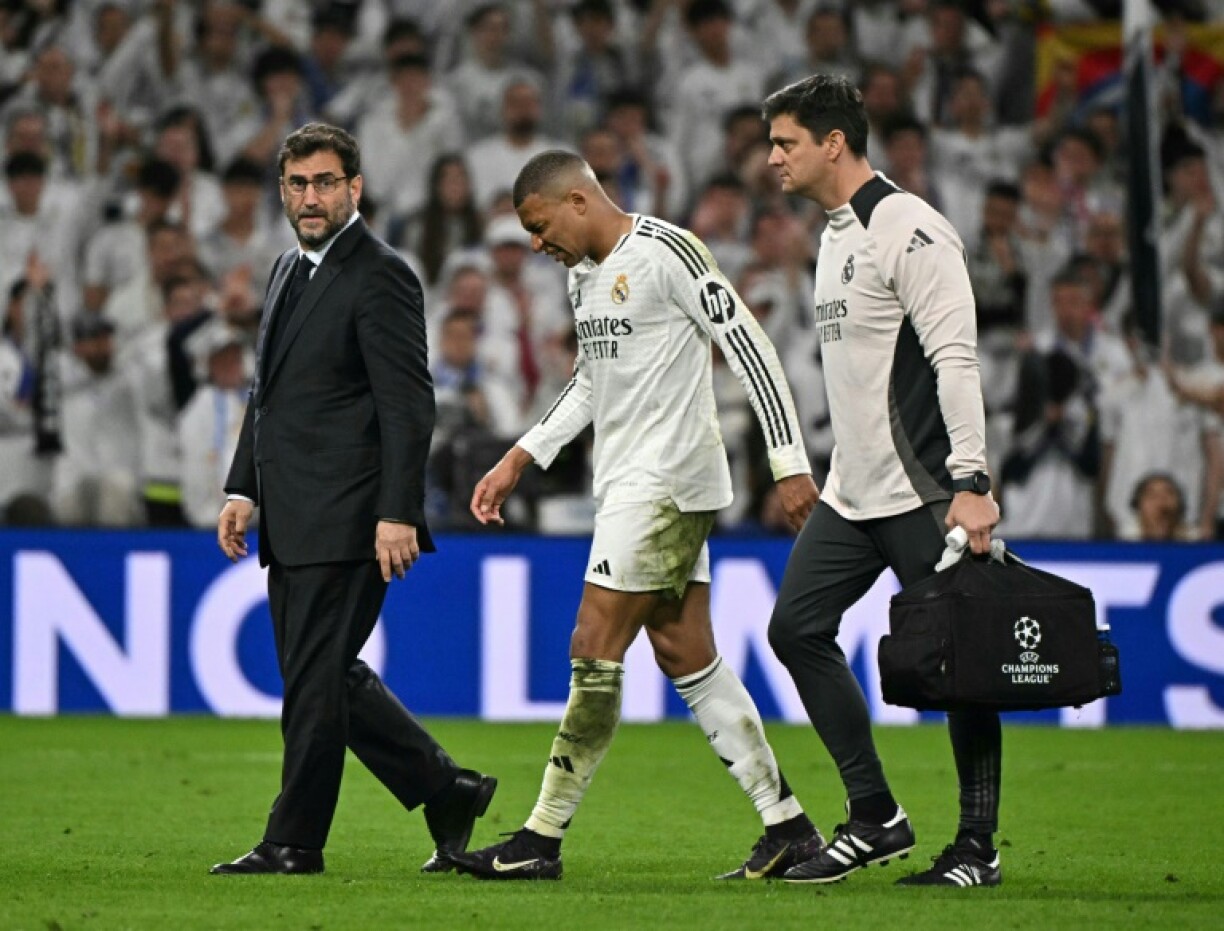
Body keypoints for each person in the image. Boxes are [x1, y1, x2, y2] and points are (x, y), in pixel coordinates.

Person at [448, 150, 824, 881]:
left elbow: (749, 345)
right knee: (687, 654)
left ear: (578, 200)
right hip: (627, 483)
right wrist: (521, 455)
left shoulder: (667, 252)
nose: (536, 244)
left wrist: (788, 462)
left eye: (539, 226)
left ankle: (541, 838)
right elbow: (590, 381)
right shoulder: (583, 276)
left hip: (667, 482)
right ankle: (788, 825)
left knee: (594, 645)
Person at [212, 123, 496, 876]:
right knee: (324, 675)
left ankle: (294, 841)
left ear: (355, 188)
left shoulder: (382, 274)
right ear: (283, 191)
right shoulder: (287, 268)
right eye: (298, 184)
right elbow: (268, 393)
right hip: (293, 514)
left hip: (350, 516)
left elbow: (409, 405)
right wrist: (243, 486)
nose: (311, 197)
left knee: (313, 682)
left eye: (325, 182)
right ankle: (446, 788)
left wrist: (397, 511)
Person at [761, 74, 1002, 887]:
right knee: (795, 628)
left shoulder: (909, 227)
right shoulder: (835, 235)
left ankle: (977, 847)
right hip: (852, 492)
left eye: (786, 142)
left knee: (963, 665)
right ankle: (876, 815)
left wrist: (971, 479)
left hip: (924, 489)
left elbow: (955, 358)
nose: (773, 159)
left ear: (833, 143)